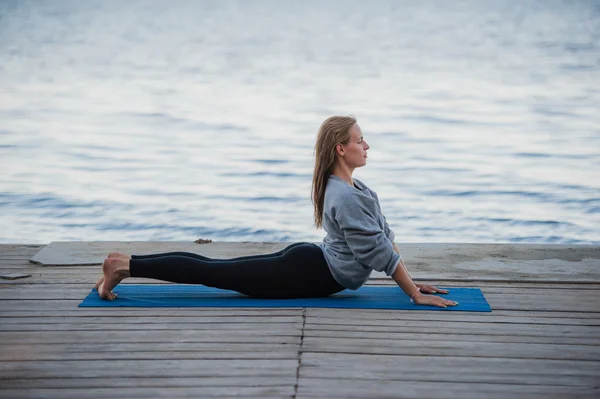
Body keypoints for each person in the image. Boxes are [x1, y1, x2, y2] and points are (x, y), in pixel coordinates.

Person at [95, 116, 458, 308]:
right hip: (307, 272)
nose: (367, 145)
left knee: (216, 269)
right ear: (340, 149)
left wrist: (412, 281)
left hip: (309, 264)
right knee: (212, 273)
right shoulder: (347, 196)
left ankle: (124, 263)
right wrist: (413, 293)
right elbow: (380, 252)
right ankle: (123, 265)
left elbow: (385, 243)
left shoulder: (358, 189)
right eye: (359, 139)